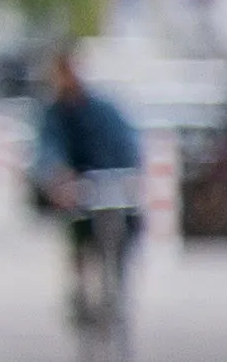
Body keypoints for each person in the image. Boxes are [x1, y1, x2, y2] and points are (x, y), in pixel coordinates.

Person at [28, 48, 147, 319]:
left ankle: (118, 287)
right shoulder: (54, 114)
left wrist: (130, 175)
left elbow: (127, 146)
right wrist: (56, 175)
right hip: (79, 186)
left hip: (111, 181)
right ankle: (80, 289)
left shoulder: (102, 109)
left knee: (127, 226)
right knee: (77, 231)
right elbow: (47, 150)